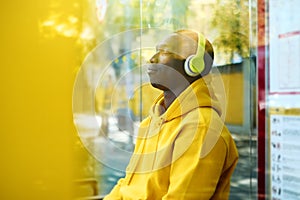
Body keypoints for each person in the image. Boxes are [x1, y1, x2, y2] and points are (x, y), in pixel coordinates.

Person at [104, 29, 239, 200]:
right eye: (156, 51)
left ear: (193, 65)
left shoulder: (202, 128)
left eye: (165, 52)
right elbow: (127, 186)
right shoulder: (150, 123)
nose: (152, 59)